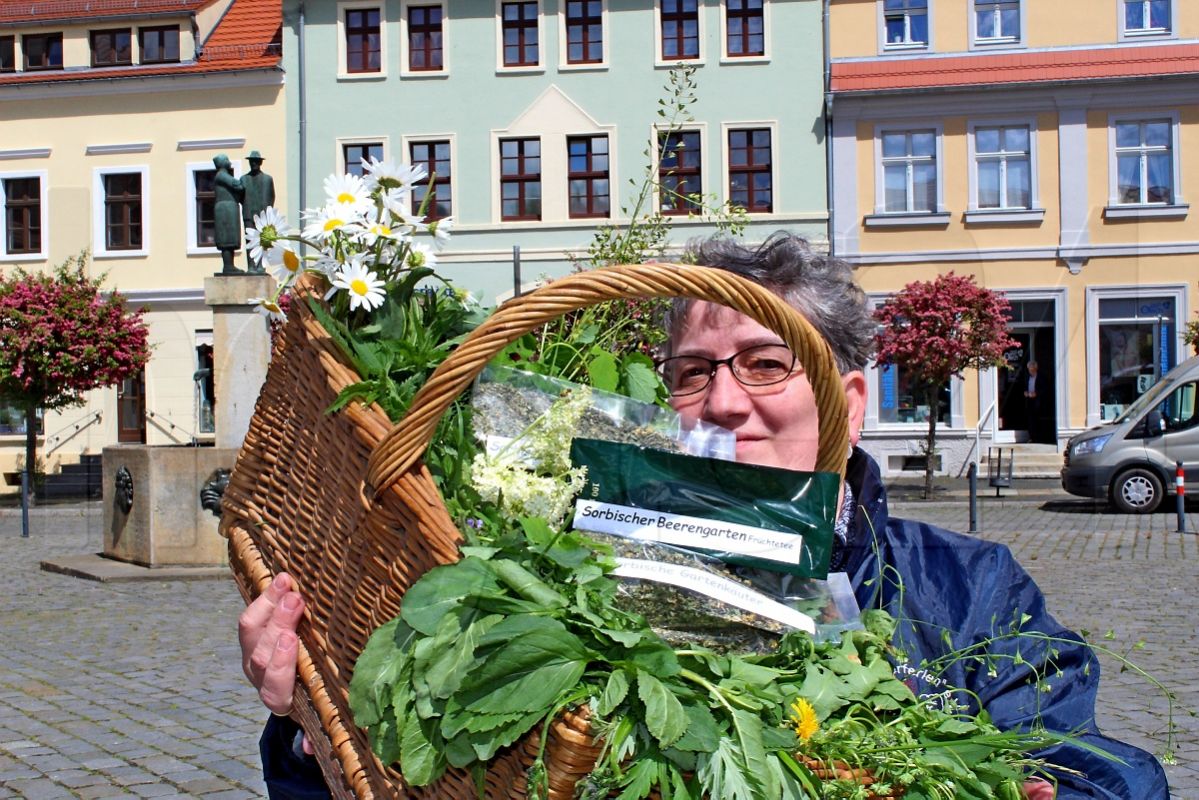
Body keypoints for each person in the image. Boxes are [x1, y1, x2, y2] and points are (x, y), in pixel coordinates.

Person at [240, 233, 1169, 799]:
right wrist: (317, 712)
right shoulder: (573, 566)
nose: (722, 403)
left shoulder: (966, 587)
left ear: (843, 399)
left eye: (765, 365)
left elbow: (1106, 768)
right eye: (692, 373)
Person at [241, 151, 276, 273]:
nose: (254, 163)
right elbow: (240, 197)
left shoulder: (267, 179)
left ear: (261, 162)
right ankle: (251, 266)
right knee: (250, 241)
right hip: (248, 213)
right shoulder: (244, 179)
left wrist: (267, 211)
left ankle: (261, 265)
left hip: (263, 215)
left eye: (256, 161)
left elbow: (272, 196)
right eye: (251, 161)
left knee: (263, 241)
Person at [212, 154, 244, 274]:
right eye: (227, 160)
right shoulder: (222, 175)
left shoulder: (222, 175)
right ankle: (228, 266)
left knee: (230, 238)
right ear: (223, 162)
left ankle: (230, 265)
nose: (229, 162)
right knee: (227, 239)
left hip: (228, 207)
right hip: (225, 209)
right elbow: (238, 185)